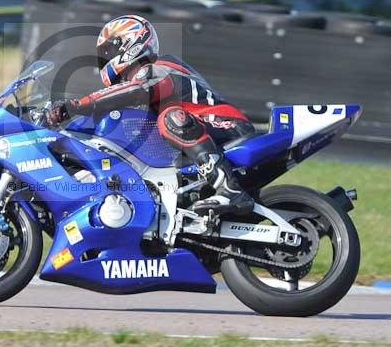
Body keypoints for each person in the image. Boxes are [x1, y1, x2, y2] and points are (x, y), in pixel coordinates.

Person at [46, 14, 255, 216]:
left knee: (172, 119)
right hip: (202, 134)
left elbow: (138, 89)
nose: (105, 59)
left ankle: (230, 188)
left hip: (228, 125)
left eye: (109, 51)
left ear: (130, 43)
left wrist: (78, 104)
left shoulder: (158, 69)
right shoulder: (139, 84)